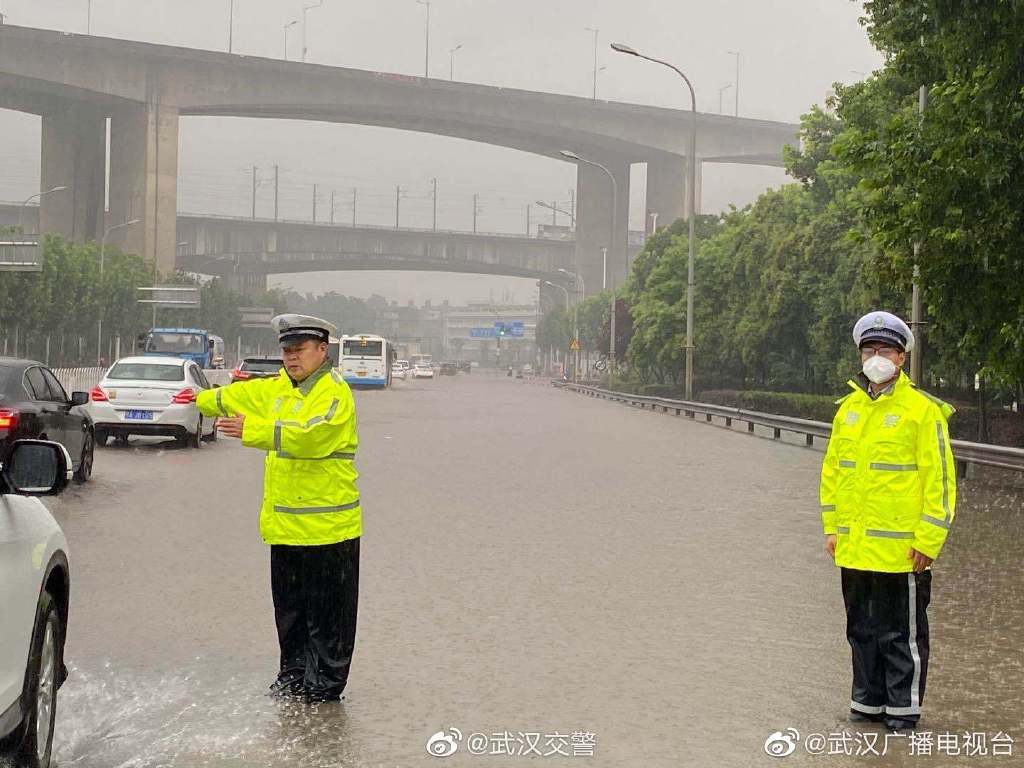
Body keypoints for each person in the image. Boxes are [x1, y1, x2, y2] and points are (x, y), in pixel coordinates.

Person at [196, 314, 361, 703]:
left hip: (329, 531)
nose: (291, 358)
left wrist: (253, 432)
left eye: (299, 350)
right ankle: (292, 680)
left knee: (328, 620)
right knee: (290, 616)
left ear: (323, 350)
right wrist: (194, 398)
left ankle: (324, 692)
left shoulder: (335, 394)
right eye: (286, 351)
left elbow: (312, 438)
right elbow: (229, 397)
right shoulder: (277, 389)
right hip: (285, 528)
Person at [820, 310, 956, 733]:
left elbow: (941, 482)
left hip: (903, 552)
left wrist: (928, 540)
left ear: (901, 358)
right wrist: (832, 529)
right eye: (869, 349)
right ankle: (866, 704)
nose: (876, 356)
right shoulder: (849, 409)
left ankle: (902, 713)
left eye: (885, 350)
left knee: (902, 636)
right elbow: (832, 473)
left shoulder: (922, 411)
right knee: (861, 630)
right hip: (855, 548)